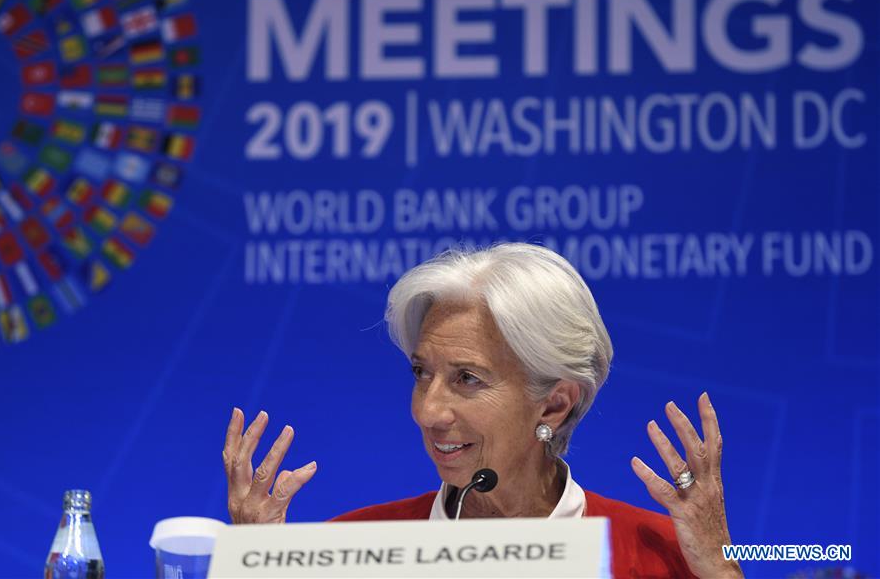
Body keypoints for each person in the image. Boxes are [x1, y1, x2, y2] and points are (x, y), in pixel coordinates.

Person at [222, 243, 743, 579]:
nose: (428, 412)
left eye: (467, 379)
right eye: (422, 373)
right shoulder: (352, 555)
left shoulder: (660, 558)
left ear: (556, 403)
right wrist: (256, 567)